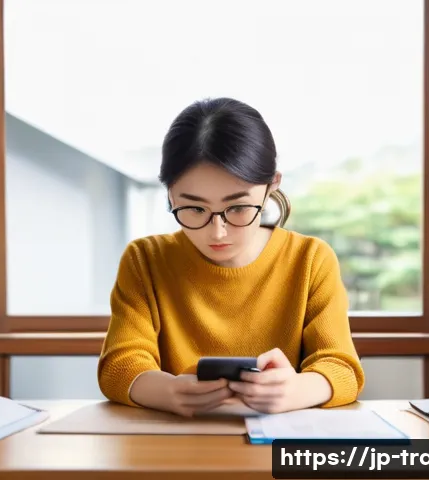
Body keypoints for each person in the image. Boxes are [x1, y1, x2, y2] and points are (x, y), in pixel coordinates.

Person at [97, 97, 364, 417]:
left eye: (237, 207)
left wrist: (296, 390)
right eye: (195, 208)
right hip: (175, 447)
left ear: (270, 186)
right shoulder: (145, 260)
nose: (217, 232)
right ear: (169, 193)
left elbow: (341, 368)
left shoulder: (310, 259)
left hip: (281, 450)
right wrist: (167, 392)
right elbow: (120, 366)